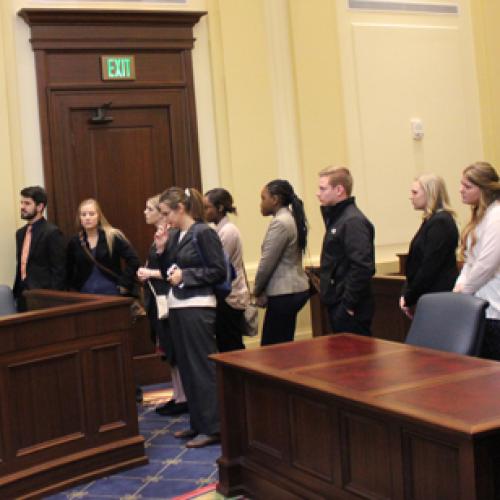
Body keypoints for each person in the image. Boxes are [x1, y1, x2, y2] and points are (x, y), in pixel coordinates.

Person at [157, 187, 226, 448]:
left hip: (198, 306)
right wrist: (163, 251)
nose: (164, 220)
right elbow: (169, 272)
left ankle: (214, 427)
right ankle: (198, 424)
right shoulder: (176, 235)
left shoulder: (203, 232)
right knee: (187, 368)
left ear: (180, 209)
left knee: (201, 369)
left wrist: (186, 276)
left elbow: (217, 270)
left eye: (166, 213)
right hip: (178, 306)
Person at [137, 195, 188, 416]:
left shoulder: (173, 235)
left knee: (175, 350)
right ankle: (177, 395)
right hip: (157, 300)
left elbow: (173, 269)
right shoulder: (159, 236)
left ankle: (183, 397)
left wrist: (149, 272)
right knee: (168, 350)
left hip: (169, 298)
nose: (145, 212)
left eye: (150, 209)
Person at [317, 166, 375, 336]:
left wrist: (348, 304)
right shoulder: (339, 219)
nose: (317, 193)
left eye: (322, 188)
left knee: (357, 359)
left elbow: (362, 266)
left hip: (350, 307)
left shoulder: (352, 221)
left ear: (339, 190)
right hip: (339, 302)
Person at [253, 179, 309, 346]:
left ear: (275, 199)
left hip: (284, 292)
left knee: (273, 347)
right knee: (283, 343)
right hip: (292, 290)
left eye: (263, 198)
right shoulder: (290, 218)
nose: (261, 204)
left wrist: (256, 289)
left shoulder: (280, 222)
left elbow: (267, 263)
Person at [454, 162, 500, 360]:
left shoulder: (496, 216)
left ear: (483, 189)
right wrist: (459, 286)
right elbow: (470, 261)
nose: (461, 190)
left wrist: (465, 290)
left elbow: (486, 264)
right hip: (478, 304)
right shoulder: (481, 217)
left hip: (494, 307)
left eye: (467, 186)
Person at [399, 174, 458, 318]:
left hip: (437, 297)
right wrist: (406, 293)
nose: (411, 197)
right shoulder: (431, 220)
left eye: (415, 192)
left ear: (430, 193)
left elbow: (429, 266)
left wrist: (409, 297)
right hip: (428, 295)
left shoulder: (441, 222)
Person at [204, 188, 250, 352]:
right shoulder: (218, 229)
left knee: (231, 344)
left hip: (231, 296)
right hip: (226, 295)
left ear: (220, 208)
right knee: (225, 342)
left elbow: (218, 264)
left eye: (207, 207)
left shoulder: (228, 231)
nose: (205, 212)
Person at [66, 198, 140, 296]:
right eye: (83, 215)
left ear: (99, 216)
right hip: (85, 294)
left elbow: (134, 260)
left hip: (112, 293)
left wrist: (125, 283)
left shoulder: (112, 235)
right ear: (80, 218)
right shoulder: (75, 241)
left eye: (91, 214)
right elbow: (68, 267)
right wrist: (72, 288)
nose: (87, 218)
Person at [13, 186, 66, 312]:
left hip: (44, 296)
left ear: (40, 207)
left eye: (27, 203)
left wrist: (53, 297)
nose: (22, 207)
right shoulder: (20, 233)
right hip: (22, 294)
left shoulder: (52, 232)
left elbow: (59, 270)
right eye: (21, 202)